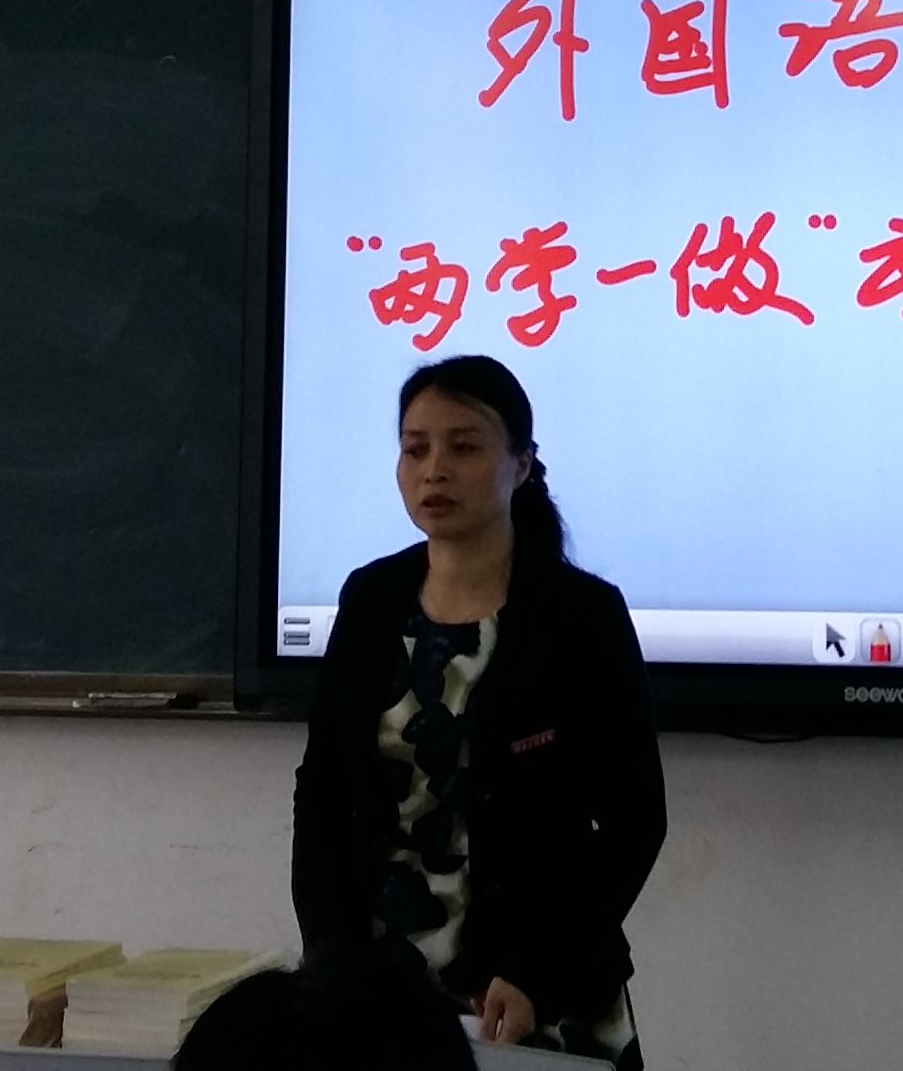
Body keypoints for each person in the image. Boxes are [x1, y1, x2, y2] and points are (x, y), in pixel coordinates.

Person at [256, 354, 664, 1067]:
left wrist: (538, 972)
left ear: (522, 466)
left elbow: (634, 822)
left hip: (538, 987)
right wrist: (331, 958)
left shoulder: (580, 616)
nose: (434, 470)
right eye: (415, 449)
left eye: (464, 447)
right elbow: (323, 791)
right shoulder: (371, 599)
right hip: (379, 989)